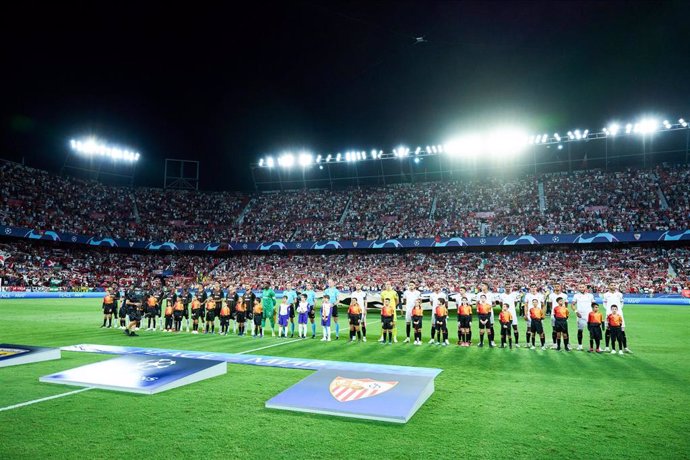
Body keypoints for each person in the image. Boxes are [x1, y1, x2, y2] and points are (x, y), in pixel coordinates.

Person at [603, 283, 631, 353]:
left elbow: (622, 303)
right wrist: (609, 311)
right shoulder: (606, 295)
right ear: (609, 286)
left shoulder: (620, 294)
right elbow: (604, 304)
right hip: (609, 314)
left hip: (619, 314)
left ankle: (625, 347)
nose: (613, 286)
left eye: (614, 285)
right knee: (608, 329)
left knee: (622, 329)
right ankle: (607, 347)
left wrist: (618, 311)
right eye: (611, 285)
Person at [570, 283, 594, 351]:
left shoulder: (590, 295)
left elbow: (594, 305)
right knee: (580, 330)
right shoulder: (576, 295)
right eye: (580, 287)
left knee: (592, 331)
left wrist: (594, 313)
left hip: (589, 315)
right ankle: (580, 345)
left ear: (585, 287)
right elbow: (572, 305)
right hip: (580, 315)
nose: (581, 288)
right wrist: (576, 312)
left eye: (583, 287)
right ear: (578, 288)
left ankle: (592, 346)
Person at [523, 283, 544, 349]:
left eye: (534, 287)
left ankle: (542, 344)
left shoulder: (540, 295)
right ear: (530, 288)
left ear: (536, 288)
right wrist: (525, 314)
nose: (533, 288)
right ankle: (528, 343)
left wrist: (543, 314)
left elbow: (543, 305)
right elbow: (526, 305)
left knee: (541, 330)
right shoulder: (527, 295)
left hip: (538, 316)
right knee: (529, 329)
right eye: (532, 287)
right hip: (530, 315)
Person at [549, 284, 567, 348]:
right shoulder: (551, 295)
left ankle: (566, 344)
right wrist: (554, 311)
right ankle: (554, 344)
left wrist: (563, 311)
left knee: (565, 331)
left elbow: (566, 304)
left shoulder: (564, 295)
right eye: (555, 286)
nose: (557, 287)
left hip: (563, 315)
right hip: (554, 315)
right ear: (554, 287)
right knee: (554, 330)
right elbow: (550, 304)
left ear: (560, 287)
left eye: (558, 286)